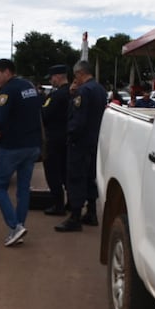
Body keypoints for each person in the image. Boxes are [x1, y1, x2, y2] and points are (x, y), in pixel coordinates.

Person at [0, 58, 43, 247]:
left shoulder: (8, 91)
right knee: (22, 189)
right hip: (32, 146)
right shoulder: (29, 86)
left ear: (7, 72)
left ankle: (14, 226)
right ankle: (19, 226)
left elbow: (0, 118)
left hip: (13, 146)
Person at [55, 60, 107, 232]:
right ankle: (91, 212)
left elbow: (78, 120)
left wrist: (70, 135)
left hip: (80, 142)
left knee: (76, 178)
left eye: (76, 75)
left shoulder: (83, 91)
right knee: (90, 177)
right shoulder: (100, 89)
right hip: (94, 141)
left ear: (80, 73)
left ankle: (75, 217)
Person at [41, 64, 70, 216]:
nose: (51, 80)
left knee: (52, 173)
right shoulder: (73, 92)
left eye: (52, 77)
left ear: (58, 76)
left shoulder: (57, 95)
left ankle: (58, 205)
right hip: (68, 139)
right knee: (66, 174)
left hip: (54, 140)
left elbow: (44, 114)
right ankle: (71, 203)